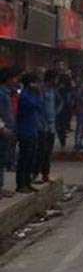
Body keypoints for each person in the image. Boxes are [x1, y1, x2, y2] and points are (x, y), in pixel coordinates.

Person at [16, 73, 45, 193]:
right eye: (36, 82)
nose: (38, 85)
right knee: (24, 158)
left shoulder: (31, 95)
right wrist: (39, 94)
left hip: (33, 130)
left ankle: (27, 183)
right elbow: (36, 105)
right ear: (30, 83)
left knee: (31, 158)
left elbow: (40, 107)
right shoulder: (24, 96)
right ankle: (21, 184)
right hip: (25, 131)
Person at [33, 69, 59, 184]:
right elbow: (38, 108)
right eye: (56, 78)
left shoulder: (53, 91)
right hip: (42, 126)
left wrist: (55, 113)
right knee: (41, 151)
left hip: (51, 125)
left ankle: (45, 174)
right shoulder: (41, 90)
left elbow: (59, 102)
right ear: (51, 79)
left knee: (48, 152)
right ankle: (35, 174)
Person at [0, 68, 18, 198]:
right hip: (2, 131)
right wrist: (2, 128)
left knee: (3, 159)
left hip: (8, 130)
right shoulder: (1, 94)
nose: (15, 81)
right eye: (14, 78)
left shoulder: (7, 93)